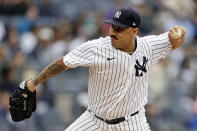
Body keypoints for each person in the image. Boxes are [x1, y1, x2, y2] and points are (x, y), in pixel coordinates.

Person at [10, 7, 186, 131]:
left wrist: (179, 33)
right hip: (94, 121)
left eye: (119, 28)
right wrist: (34, 83)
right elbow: (62, 63)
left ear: (134, 31)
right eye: (112, 26)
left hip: (132, 122)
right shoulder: (97, 48)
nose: (112, 32)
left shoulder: (149, 46)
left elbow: (174, 40)